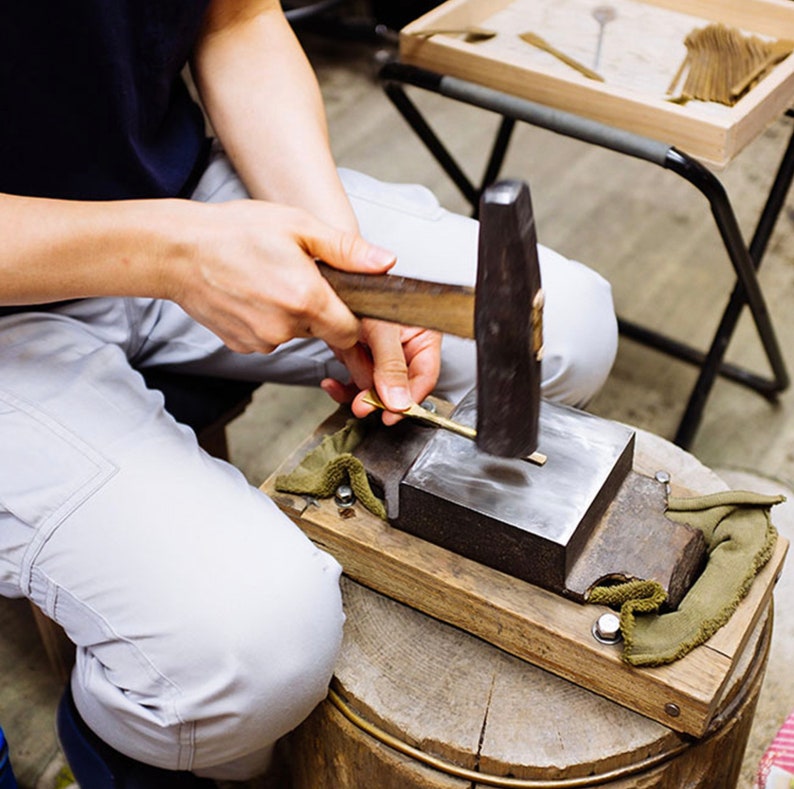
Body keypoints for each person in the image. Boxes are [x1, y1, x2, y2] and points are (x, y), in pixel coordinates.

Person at [0, 1, 618, 785]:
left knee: (568, 326)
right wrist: (168, 253)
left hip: (175, 193)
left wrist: (351, 266)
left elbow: (237, 21)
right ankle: (123, 744)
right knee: (255, 654)